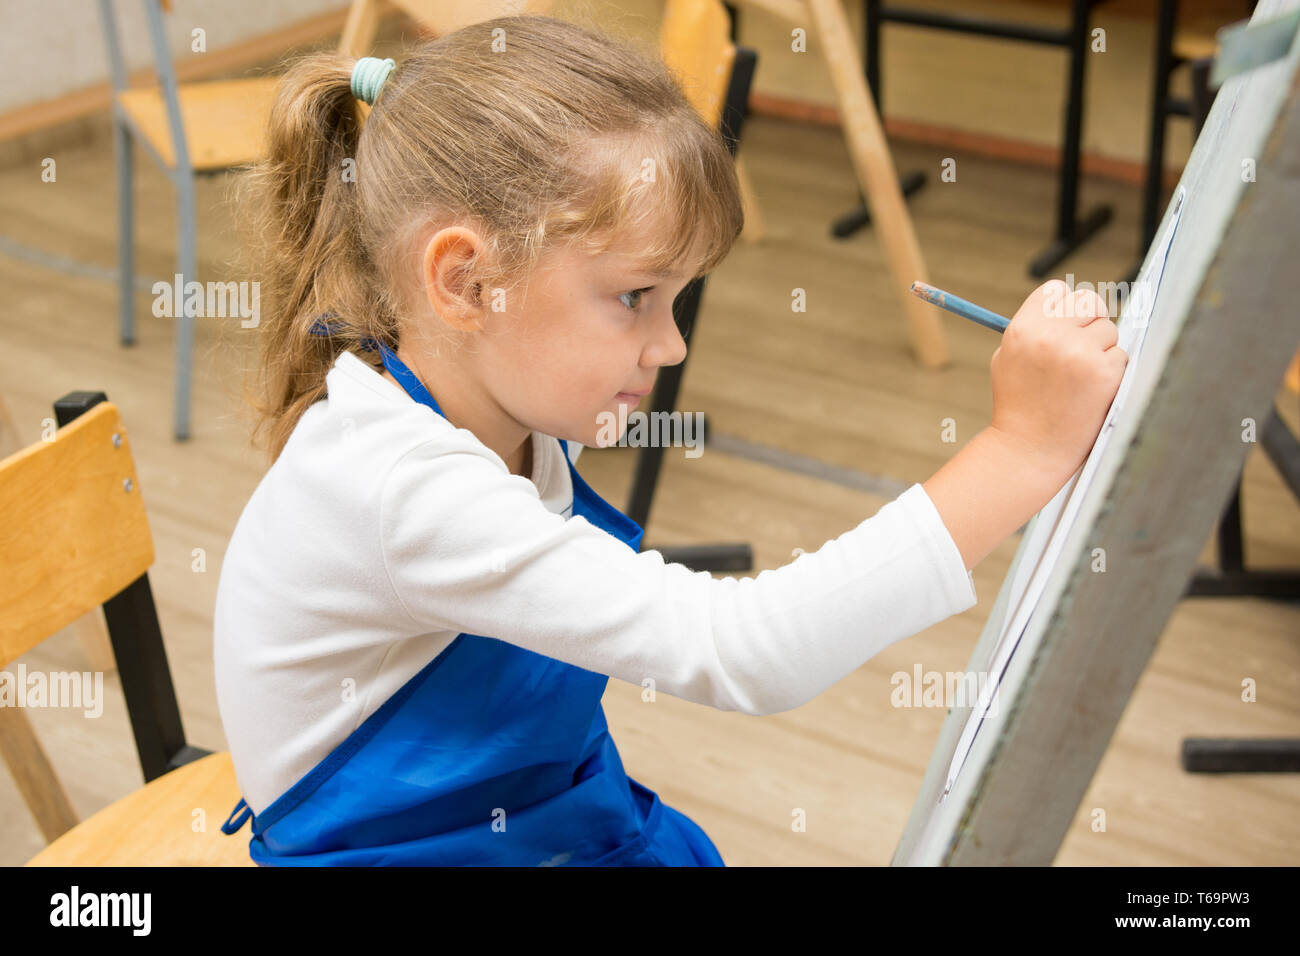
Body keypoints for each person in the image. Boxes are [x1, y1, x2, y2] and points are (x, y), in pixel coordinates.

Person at [213, 15, 1125, 866]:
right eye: (634, 297)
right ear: (465, 281)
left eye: (677, 299)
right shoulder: (400, 486)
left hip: (535, 812)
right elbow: (746, 651)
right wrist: (1021, 448)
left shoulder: (487, 401)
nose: (672, 344)